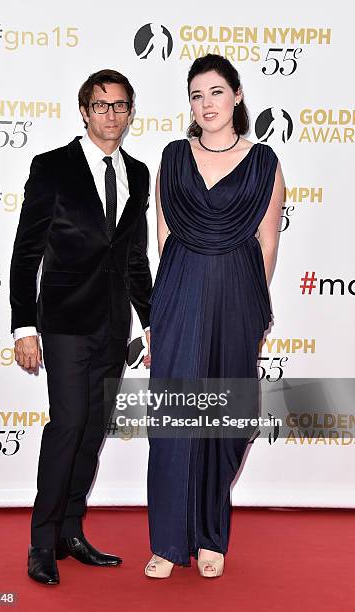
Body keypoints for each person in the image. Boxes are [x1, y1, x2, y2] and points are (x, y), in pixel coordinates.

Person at [10, 69, 152, 585]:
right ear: (84, 111)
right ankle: (41, 542)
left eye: (120, 105)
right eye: (101, 104)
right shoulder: (51, 167)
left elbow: (135, 258)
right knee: (67, 427)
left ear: (130, 113)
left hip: (114, 326)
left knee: (92, 432)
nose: (111, 114)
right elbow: (26, 255)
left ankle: (71, 531)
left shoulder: (138, 173)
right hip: (66, 324)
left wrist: (152, 322)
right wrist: (23, 326)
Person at [145, 54, 284, 578]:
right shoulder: (173, 157)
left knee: (225, 418)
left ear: (237, 96)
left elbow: (267, 244)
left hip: (237, 297)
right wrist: (168, 302)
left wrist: (247, 303)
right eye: (197, 95)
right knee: (176, 417)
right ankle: (166, 541)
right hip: (180, 289)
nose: (207, 104)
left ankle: (210, 537)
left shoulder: (264, 162)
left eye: (216, 92)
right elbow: (163, 236)